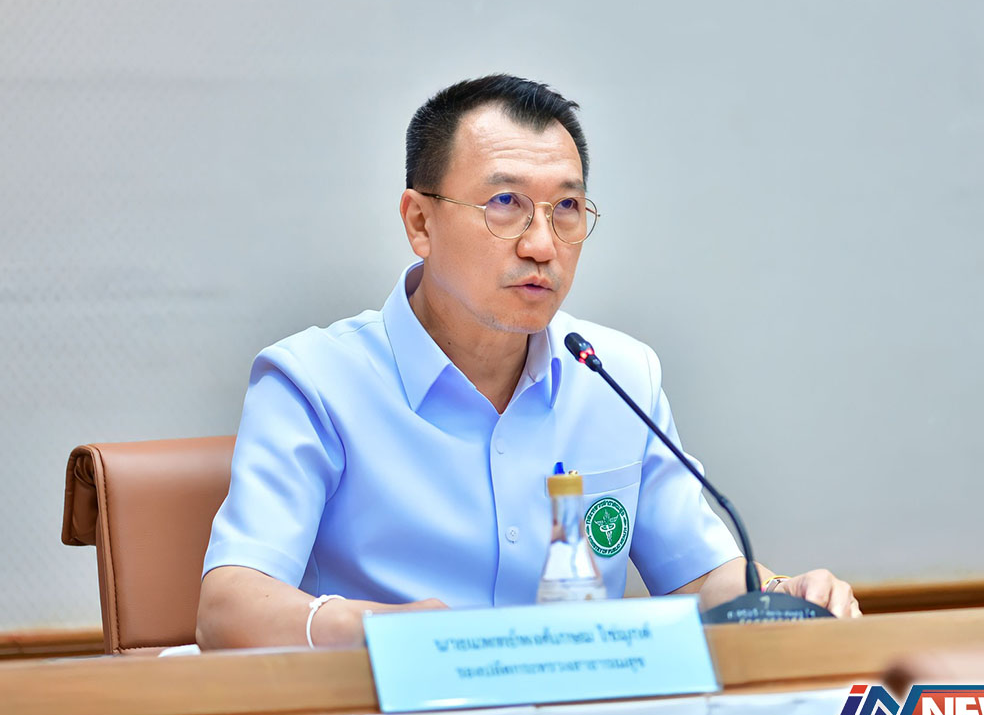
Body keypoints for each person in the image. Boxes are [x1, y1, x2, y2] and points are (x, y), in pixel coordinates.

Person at [196, 75, 860, 650]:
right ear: (420, 222)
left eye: (565, 208)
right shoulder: (314, 381)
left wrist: (784, 597)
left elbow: (700, 576)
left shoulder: (618, 376)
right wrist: (380, 632)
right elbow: (229, 608)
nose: (542, 244)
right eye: (505, 204)